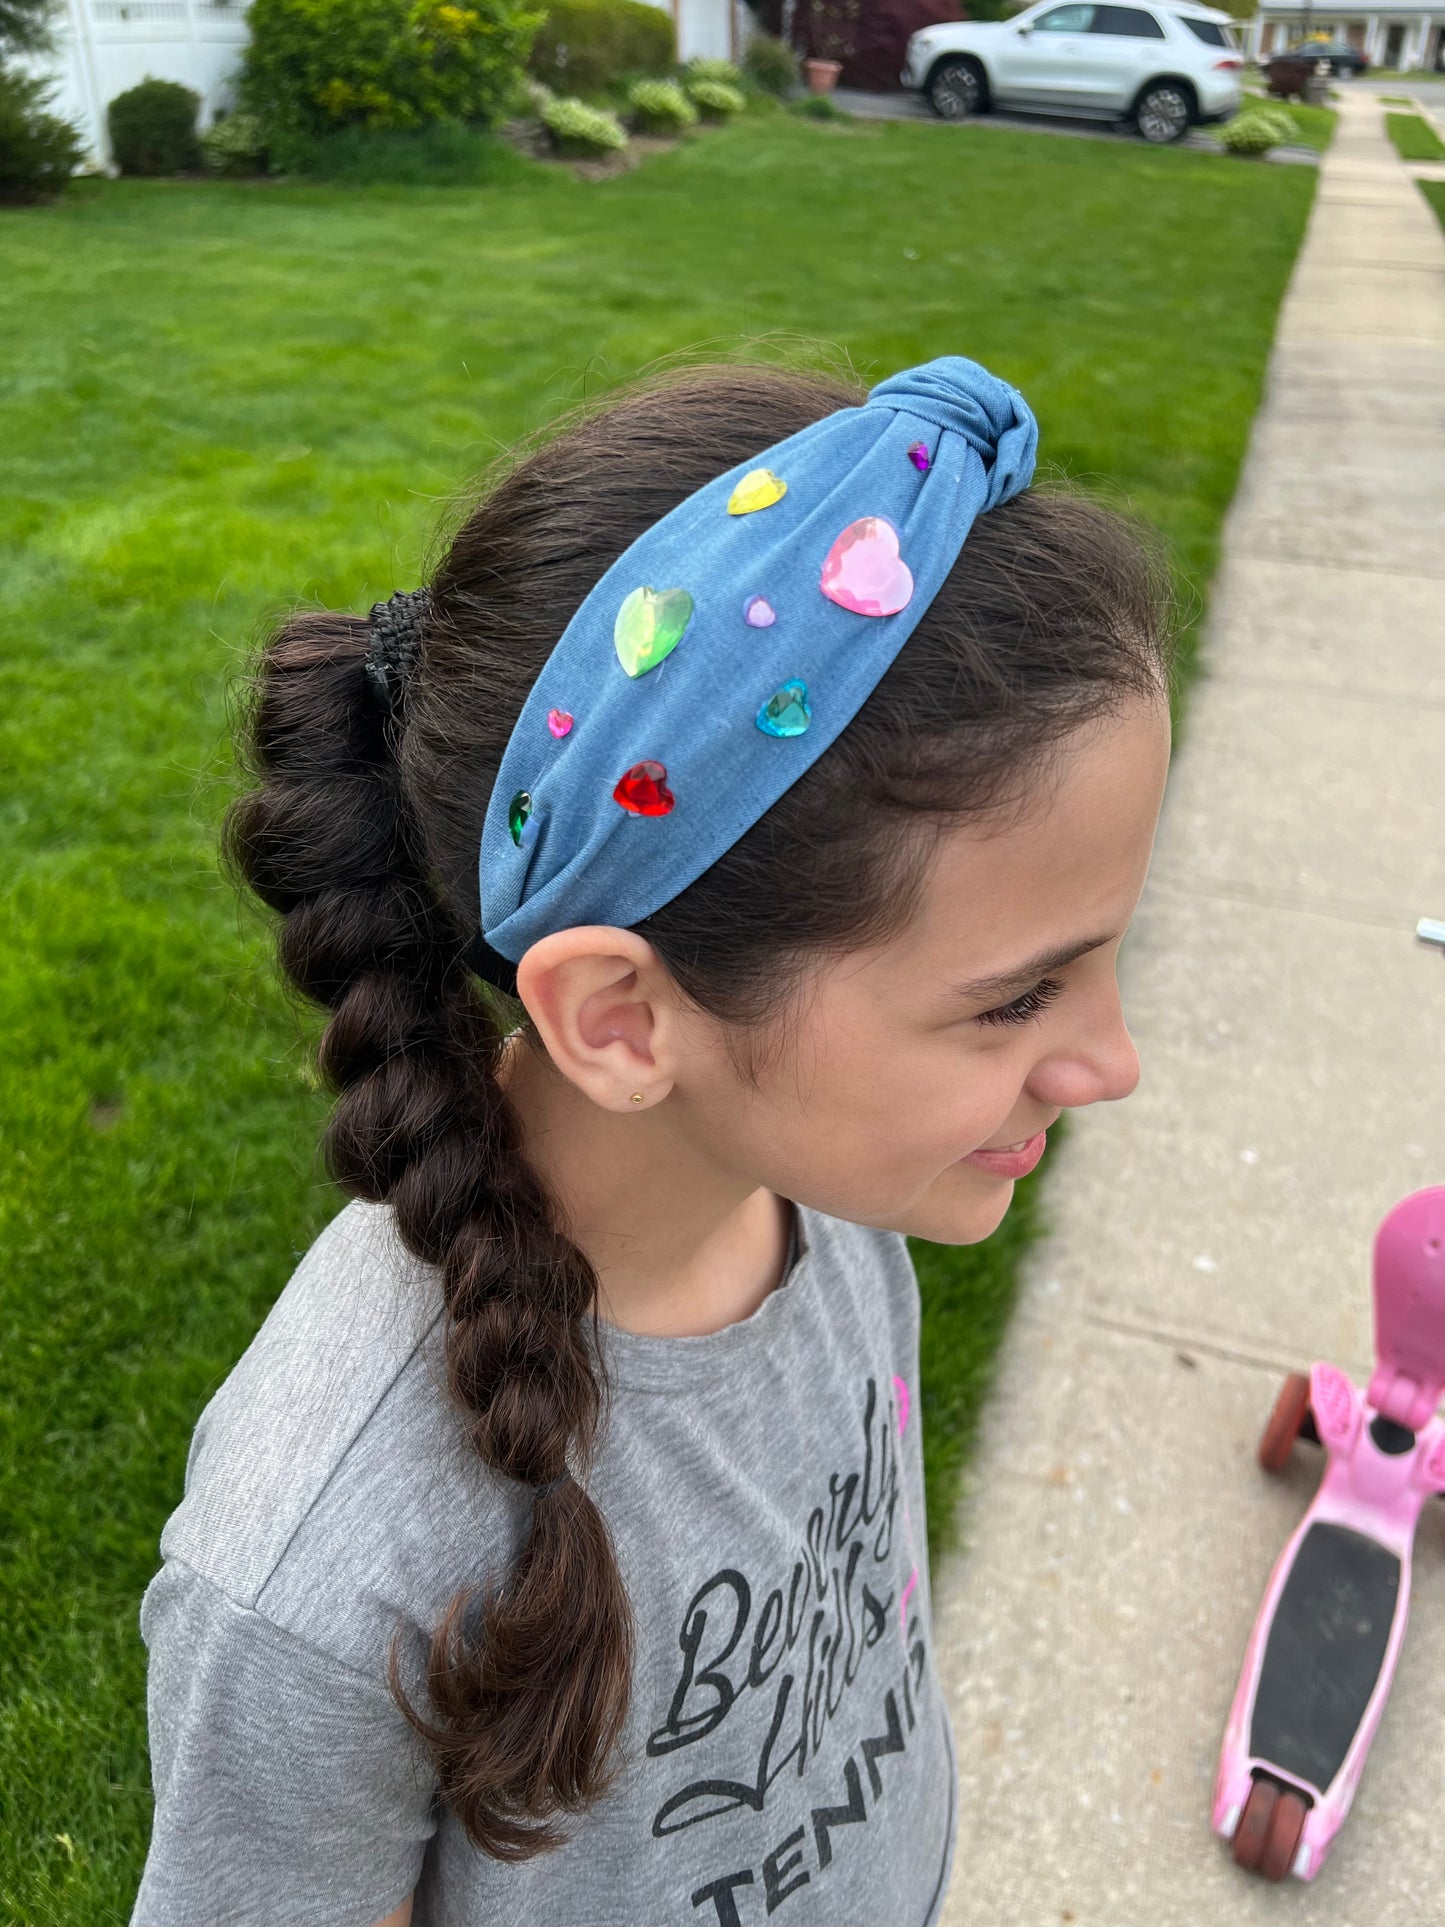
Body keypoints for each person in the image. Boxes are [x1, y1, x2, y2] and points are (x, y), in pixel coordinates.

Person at [130, 353, 1176, 1927]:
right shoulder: (320, 1572)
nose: (1109, 1062)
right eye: (1016, 997)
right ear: (622, 1020)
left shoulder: (821, 1196)